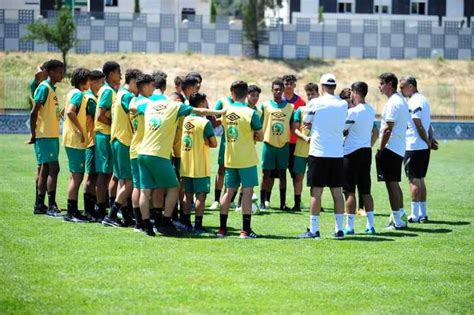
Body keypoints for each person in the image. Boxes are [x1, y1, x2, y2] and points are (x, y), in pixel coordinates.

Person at [129, 86, 225, 237]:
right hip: (159, 154)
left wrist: (133, 97)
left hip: (142, 152)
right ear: (176, 100)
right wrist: (221, 113)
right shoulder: (175, 106)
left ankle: (147, 226)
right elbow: (200, 111)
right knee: (174, 187)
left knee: (145, 190)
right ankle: (166, 222)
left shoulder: (149, 105)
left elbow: (132, 107)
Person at [298, 73, 348, 240]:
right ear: (334, 87)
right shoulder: (342, 104)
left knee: (315, 193)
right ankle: (339, 230)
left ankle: (314, 230)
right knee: (337, 193)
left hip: (318, 153)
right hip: (337, 154)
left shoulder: (315, 103)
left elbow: (306, 122)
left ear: (321, 86)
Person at [218, 81, 263, 238]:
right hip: (247, 159)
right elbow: (261, 135)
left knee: (229, 192)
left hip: (230, 158)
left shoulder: (226, 111)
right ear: (246, 94)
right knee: (247, 193)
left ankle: (222, 229)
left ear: (232, 93)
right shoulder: (251, 113)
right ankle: (245, 230)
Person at [102, 69, 141, 227]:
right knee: (130, 182)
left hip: (117, 139)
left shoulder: (118, 94)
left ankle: (124, 215)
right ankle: (111, 215)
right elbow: (136, 114)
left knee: (122, 180)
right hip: (125, 141)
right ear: (133, 82)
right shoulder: (128, 96)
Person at [399, 76, 438, 223]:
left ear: (411, 86)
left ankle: (414, 215)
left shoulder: (414, 101)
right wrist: (430, 139)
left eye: (402, 87)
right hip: (422, 147)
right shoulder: (424, 100)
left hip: (414, 145)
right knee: (420, 179)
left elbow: (418, 123)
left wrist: (427, 140)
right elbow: (428, 123)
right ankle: (423, 213)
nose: (400, 90)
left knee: (413, 179)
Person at [29, 59, 65, 217]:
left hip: (51, 135)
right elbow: (34, 112)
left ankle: (39, 205)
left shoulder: (52, 89)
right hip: (45, 136)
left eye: (62, 71)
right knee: (54, 169)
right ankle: (51, 205)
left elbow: (50, 113)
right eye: (58, 71)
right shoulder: (44, 88)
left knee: (44, 170)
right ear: (49, 72)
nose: (61, 74)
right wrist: (33, 133)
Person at [342, 81, 378, 235]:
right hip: (365, 152)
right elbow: (374, 132)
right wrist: (367, 144)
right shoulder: (370, 110)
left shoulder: (353, 112)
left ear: (355, 93)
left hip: (350, 153)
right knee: (366, 191)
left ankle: (350, 227)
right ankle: (371, 225)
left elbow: (342, 130)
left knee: (349, 191)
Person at [376, 72, 410, 230]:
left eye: (382, 83)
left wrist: (381, 149)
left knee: (391, 185)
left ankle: (398, 220)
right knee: (394, 183)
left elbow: (388, 129)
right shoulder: (400, 101)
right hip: (398, 147)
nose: (379, 86)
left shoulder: (393, 103)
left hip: (390, 148)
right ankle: (400, 216)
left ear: (390, 84)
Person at [180, 92, 217, 233]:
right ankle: (198, 225)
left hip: (185, 164)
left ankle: (186, 223)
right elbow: (214, 143)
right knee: (200, 195)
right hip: (200, 165)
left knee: (187, 194)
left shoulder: (185, 120)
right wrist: (206, 141)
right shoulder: (204, 122)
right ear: (201, 104)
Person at [62, 68, 92, 222]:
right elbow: (69, 112)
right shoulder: (78, 94)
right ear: (84, 80)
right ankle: (71, 213)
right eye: (89, 79)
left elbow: (63, 112)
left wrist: (69, 127)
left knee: (75, 175)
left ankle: (72, 210)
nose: (91, 82)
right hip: (75, 139)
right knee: (77, 177)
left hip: (70, 137)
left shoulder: (71, 93)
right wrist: (81, 130)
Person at [259, 79, 294, 211]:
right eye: (275, 89)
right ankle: (263, 203)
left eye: (280, 89)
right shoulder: (265, 106)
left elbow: (291, 126)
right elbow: (259, 123)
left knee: (282, 174)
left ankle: (282, 204)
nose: (278, 92)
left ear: (283, 90)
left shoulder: (290, 108)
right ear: (272, 90)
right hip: (269, 144)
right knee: (265, 174)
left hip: (283, 145)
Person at [94, 61, 121, 219]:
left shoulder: (111, 90)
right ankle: (101, 209)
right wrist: (114, 125)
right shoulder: (107, 91)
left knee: (108, 172)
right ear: (110, 74)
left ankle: (104, 208)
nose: (120, 75)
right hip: (104, 135)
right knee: (104, 174)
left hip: (107, 135)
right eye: (118, 72)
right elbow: (100, 115)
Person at [129, 73, 156, 231]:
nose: (153, 88)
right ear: (145, 86)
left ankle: (138, 222)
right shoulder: (146, 102)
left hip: (134, 147)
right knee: (145, 189)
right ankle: (146, 221)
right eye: (151, 85)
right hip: (145, 148)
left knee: (137, 187)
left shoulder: (135, 100)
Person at [83, 70, 105, 221]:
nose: (103, 85)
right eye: (101, 82)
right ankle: (88, 210)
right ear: (94, 82)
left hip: (94, 141)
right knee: (91, 176)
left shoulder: (94, 97)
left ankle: (94, 208)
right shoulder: (90, 99)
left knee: (96, 175)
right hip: (91, 141)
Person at [282, 75, 306, 211]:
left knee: (296, 174)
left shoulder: (301, 102)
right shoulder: (280, 101)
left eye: (291, 83)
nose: (288, 86)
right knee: (278, 174)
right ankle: (279, 202)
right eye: (286, 83)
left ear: (294, 85)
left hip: (295, 143)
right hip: (281, 142)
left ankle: (298, 200)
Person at [209, 91, 234, 210]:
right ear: (232, 91)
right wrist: (224, 119)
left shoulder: (244, 104)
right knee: (222, 170)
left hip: (240, 145)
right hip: (226, 143)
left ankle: (229, 199)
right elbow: (213, 123)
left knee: (234, 171)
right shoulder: (223, 102)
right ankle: (216, 200)